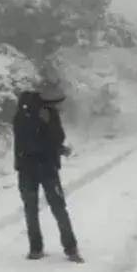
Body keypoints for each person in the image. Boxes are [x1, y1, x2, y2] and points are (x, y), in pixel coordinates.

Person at [12, 77, 82, 262]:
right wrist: (57, 146)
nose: (60, 108)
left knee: (31, 210)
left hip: (25, 168)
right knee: (59, 208)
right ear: (50, 102)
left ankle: (36, 249)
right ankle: (71, 248)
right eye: (59, 104)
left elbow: (30, 142)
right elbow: (51, 139)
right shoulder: (46, 115)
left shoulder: (22, 112)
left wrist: (56, 146)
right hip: (46, 168)